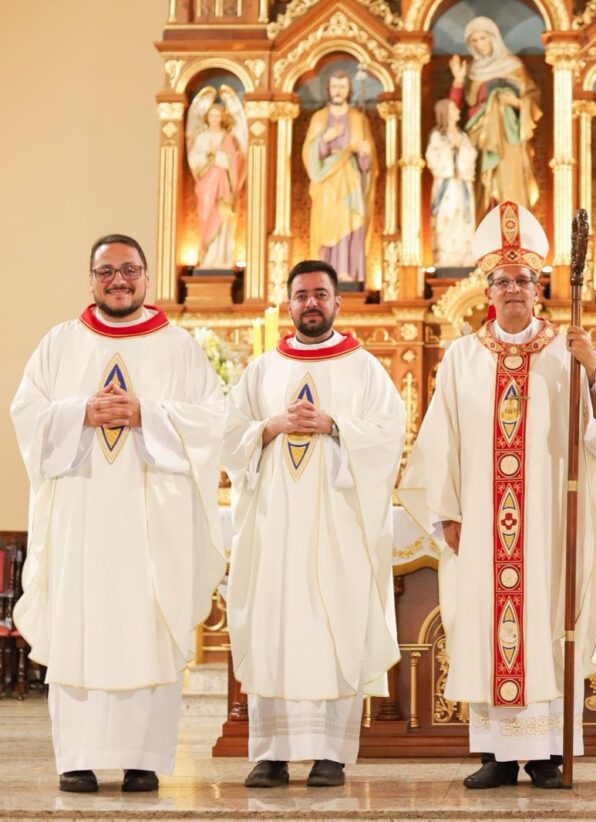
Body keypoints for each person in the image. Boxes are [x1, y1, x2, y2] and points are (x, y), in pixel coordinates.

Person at [399, 201, 596, 789]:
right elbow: (439, 439)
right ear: (486, 290)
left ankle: (550, 752)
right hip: (481, 522)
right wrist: (445, 512)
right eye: (500, 281)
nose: (511, 290)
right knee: (485, 623)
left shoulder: (565, 351)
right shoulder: (461, 358)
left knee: (549, 623)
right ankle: (497, 754)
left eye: (522, 280)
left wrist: (595, 365)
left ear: (539, 287)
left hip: (550, 522)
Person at [10, 234, 226, 793]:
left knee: (146, 627)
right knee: (80, 624)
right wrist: (79, 412)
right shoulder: (60, 344)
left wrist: (147, 415)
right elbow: (27, 412)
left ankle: (142, 759)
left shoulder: (178, 347)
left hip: (153, 524)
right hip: (80, 519)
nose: (118, 280)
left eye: (129, 270)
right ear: (91, 279)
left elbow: (213, 419)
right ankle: (76, 758)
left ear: (146, 277)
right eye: (106, 272)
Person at [225, 260, 405, 789]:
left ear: (336, 303)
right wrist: (269, 427)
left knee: (336, 624)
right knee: (273, 622)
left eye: (320, 295)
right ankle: (271, 753)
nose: (311, 303)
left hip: (339, 532)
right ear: (288, 303)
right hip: (273, 530)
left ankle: (331, 753)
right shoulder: (262, 370)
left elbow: (391, 435)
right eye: (301, 295)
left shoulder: (364, 368)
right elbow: (228, 436)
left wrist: (335, 426)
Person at [449, 17, 541, 220]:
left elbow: (532, 98)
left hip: (509, 139)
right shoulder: (472, 70)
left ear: (493, 37)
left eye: (482, 38)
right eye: (473, 41)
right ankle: (482, 234)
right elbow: (454, 110)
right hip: (479, 137)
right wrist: (457, 79)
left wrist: (516, 103)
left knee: (509, 183)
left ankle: (512, 237)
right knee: (482, 187)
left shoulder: (513, 65)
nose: (479, 45)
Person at [302, 71, 377, 285]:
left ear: (349, 90)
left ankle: (347, 272)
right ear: (328, 89)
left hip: (349, 179)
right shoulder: (319, 118)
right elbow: (308, 153)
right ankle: (326, 271)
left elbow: (369, 165)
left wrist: (364, 154)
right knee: (327, 224)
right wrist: (325, 139)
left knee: (350, 222)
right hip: (326, 182)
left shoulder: (357, 118)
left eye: (342, 87)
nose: (338, 91)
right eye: (334, 86)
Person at [186, 96, 246, 269]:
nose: (214, 119)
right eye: (211, 115)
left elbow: (235, 161)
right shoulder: (202, 138)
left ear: (222, 118)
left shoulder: (227, 138)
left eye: (217, 116)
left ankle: (222, 258)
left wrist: (219, 157)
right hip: (206, 184)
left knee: (223, 216)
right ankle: (206, 257)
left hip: (222, 183)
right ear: (207, 118)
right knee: (205, 215)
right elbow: (194, 160)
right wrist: (208, 157)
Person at [426, 98, 478, 267]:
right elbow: (433, 159)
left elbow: (471, 156)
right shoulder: (437, 136)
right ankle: (446, 258)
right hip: (446, 188)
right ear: (446, 113)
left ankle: (465, 257)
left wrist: (460, 150)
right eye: (454, 109)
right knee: (446, 218)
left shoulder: (463, 136)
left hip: (461, 184)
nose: (458, 111)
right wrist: (450, 150)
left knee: (464, 218)